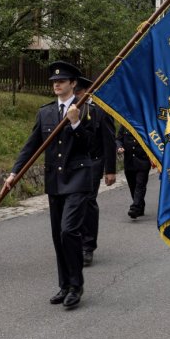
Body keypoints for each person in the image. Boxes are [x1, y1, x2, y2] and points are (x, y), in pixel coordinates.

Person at [3, 61, 93, 309]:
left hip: (77, 180)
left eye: (62, 81)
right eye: (54, 82)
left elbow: (91, 147)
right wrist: (14, 173)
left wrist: (75, 123)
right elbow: (31, 146)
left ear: (73, 84)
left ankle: (76, 285)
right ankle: (64, 285)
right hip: (55, 182)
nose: (57, 85)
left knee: (68, 231)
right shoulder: (45, 112)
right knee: (58, 236)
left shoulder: (85, 109)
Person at [74, 77, 117, 267]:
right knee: (74, 203)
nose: (77, 96)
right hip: (73, 165)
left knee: (88, 201)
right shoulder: (70, 110)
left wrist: (110, 170)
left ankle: (87, 246)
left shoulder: (101, 111)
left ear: (88, 91)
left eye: (80, 91)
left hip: (94, 162)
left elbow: (109, 140)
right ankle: (74, 241)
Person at [116, 126, 152, 219]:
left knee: (140, 185)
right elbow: (118, 139)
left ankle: (135, 207)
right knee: (132, 186)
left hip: (142, 161)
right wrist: (119, 147)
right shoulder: (124, 124)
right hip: (129, 162)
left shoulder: (144, 123)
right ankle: (140, 206)